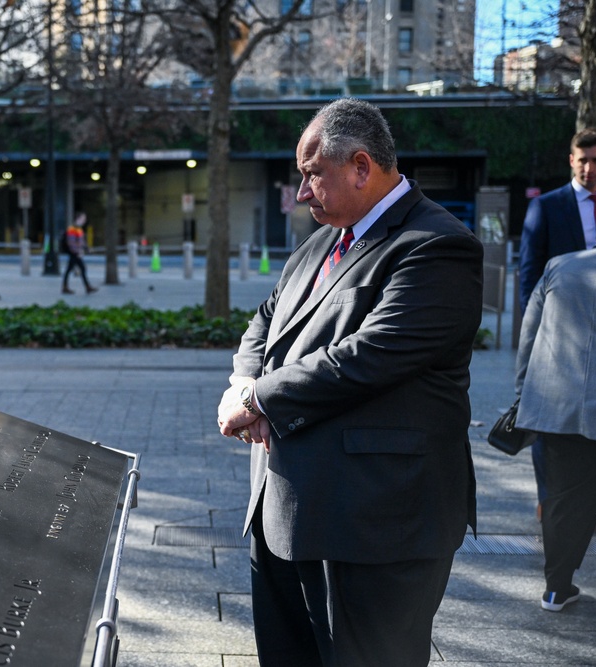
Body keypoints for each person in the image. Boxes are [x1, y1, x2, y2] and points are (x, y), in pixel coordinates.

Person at [217, 98, 483, 667]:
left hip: (373, 523)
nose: (302, 193)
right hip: (284, 509)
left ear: (362, 166)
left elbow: (369, 356)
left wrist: (259, 397)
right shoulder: (320, 242)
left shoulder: (437, 245)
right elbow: (265, 319)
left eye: (313, 175)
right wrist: (242, 382)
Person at [514, 191, 596, 617]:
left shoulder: (559, 267)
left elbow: (530, 338)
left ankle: (557, 589)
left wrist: (524, 395)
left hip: (559, 412)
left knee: (563, 503)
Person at [519, 128, 596, 531]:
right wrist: (536, 332)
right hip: (560, 335)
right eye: (582, 159)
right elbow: (528, 275)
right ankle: (551, 503)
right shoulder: (548, 207)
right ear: (570, 161)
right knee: (552, 420)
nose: (588, 167)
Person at [61, 211, 97, 295]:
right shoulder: (72, 229)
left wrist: (86, 248)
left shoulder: (78, 229)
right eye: (82, 218)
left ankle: (65, 287)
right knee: (82, 268)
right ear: (77, 219)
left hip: (75, 253)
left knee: (70, 269)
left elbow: (82, 241)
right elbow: (71, 243)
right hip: (75, 253)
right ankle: (87, 287)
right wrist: (77, 252)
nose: (84, 220)